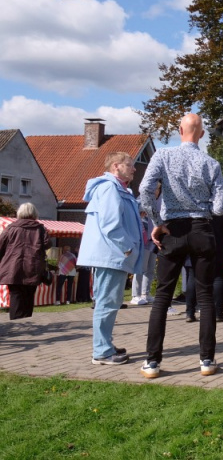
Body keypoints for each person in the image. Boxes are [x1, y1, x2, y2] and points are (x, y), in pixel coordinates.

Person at [139, 113, 223, 379]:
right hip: (202, 230)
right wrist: (205, 206)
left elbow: (145, 189)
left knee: (163, 297)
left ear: (180, 130)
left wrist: (158, 221)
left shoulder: (163, 156)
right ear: (201, 134)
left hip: (173, 229)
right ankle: (207, 361)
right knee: (205, 297)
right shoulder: (212, 163)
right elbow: (220, 207)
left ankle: (152, 363)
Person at [77, 152, 144, 366]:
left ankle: (105, 345)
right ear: (116, 166)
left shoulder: (118, 189)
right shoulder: (109, 188)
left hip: (113, 255)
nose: (134, 169)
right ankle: (102, 352)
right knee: (107, 303)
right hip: (110, 255)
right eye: (130, 165)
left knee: (110, 302)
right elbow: (110, 225)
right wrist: (128, 250)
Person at [0, 203, 51, 320]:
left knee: (16, 297)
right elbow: (48, 244)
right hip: (32, 268)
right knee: (28, 298)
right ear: (34, 213)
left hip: (12, 269)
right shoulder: (40, 229)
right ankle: (27, 322)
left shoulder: (11, 228)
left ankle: (18, 326)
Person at [130, 208, 157, 305]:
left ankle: (145, 293)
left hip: (153, 241)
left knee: (150, 268)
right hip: (144, 241)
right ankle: (135, 295)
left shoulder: (158, 201)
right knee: (141, 268)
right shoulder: (141, 199)